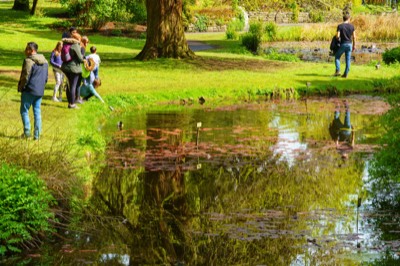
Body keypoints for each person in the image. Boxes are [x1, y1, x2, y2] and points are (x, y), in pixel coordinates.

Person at [17, 42, 48, 140]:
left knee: (24, 111)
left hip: (29, 90)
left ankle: (27, 133)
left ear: (31, 50)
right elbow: (46, 78)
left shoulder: (28, 61)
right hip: (39, 90)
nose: (25, 51)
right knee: (37, 112)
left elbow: (25, 76)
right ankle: (37, 135)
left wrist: (21, 87)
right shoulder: (45, 61)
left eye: (26, 49)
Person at [61, 30, 85, 109]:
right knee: (73, 86)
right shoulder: (75, 45)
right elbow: (80, 58)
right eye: (79, 38)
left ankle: (69, 102)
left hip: (65, 67)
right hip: (74, 69)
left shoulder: (66, 43)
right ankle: (72, 104)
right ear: (77, 38)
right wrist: (84, 59)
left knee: (68, 85)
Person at [333, 13, 356, 78]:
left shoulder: (340, 26)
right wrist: (354, 45)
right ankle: (346, 73)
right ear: (349, 18)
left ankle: (337, 71)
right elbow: (354, 37)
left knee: (337, 57)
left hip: (343, 44)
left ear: (343, 19)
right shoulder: (352, 26)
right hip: (350, 44)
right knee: (348, 59)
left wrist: (337, 39)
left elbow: (337, 36)